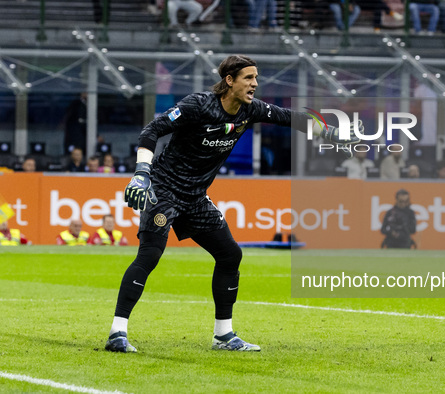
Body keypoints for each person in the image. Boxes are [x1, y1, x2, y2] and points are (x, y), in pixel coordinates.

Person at [104, 55, 360, 353]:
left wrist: (330, 133)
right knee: (150, 255)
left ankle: (222, 336)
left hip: (195, 197)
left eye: (256, 78)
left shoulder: (251, 110)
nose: (255, 84)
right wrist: (141, 174)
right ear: (229, 81)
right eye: (248, 78)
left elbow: (290, 118)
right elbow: (152, 130)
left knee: (229, 255)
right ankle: (117, 333)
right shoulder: (197, 105)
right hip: (164, 190)